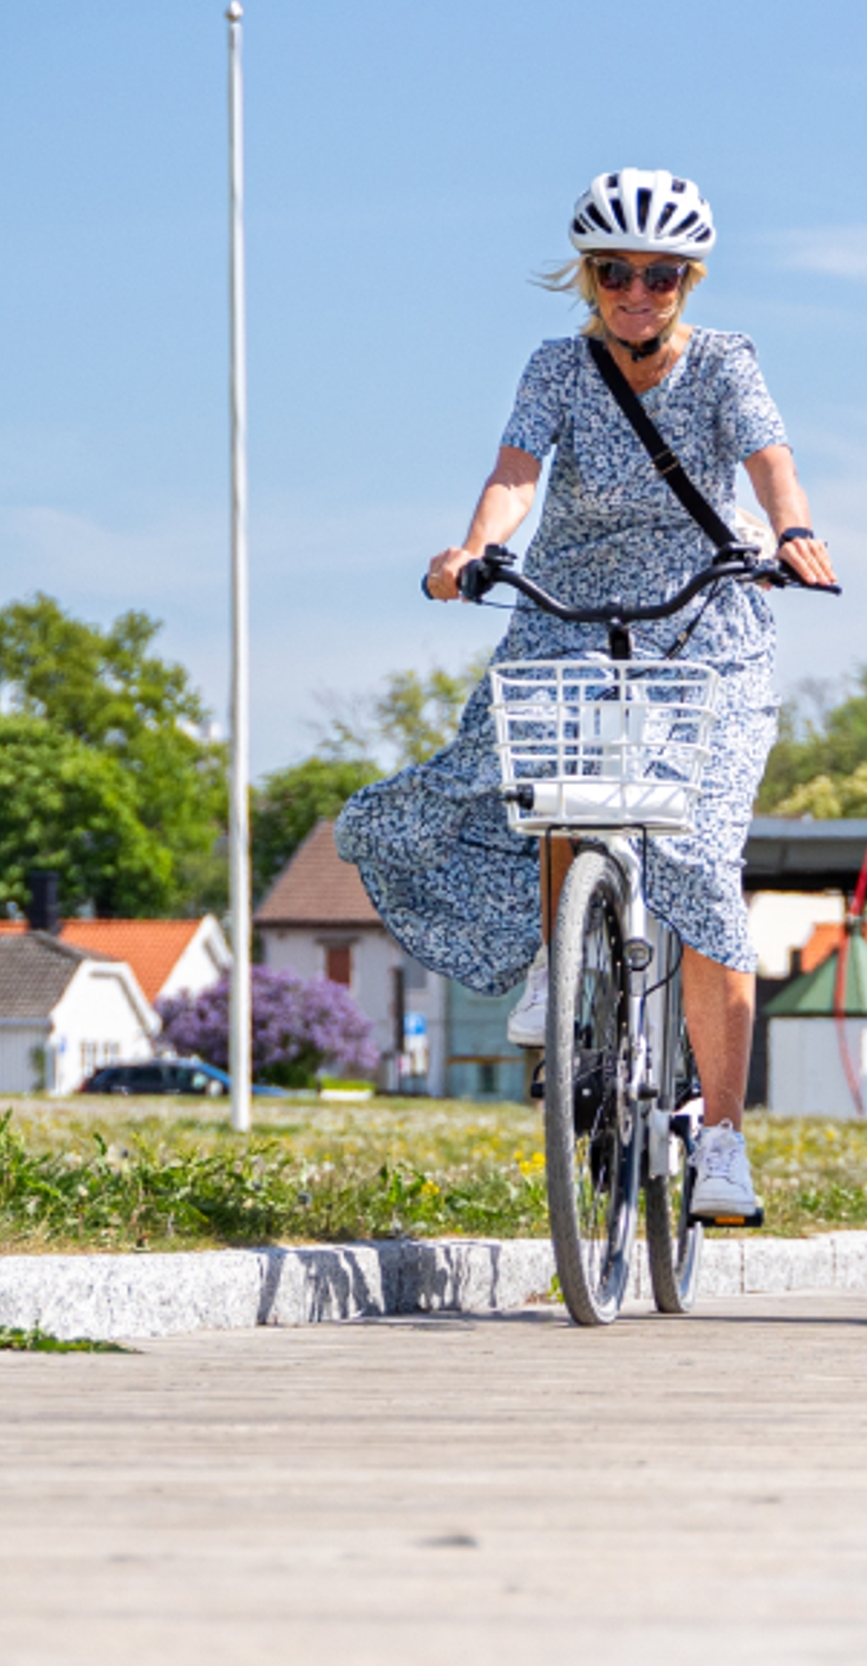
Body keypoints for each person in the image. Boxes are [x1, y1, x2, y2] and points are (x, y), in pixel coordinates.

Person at [337, 170, 835, 1227]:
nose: (638, 291)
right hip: (569, 604)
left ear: (687, 281)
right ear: (589, 278)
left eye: (660, 274)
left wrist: (792, 531)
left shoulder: (727, 365)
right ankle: (563, 959)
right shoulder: (557, 367)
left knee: (699, 858)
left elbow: (770, 460)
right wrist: (478, 549)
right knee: (533, 779)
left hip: (708, 623)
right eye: (617, 272)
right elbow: (516, 473)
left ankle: (724, 1141)